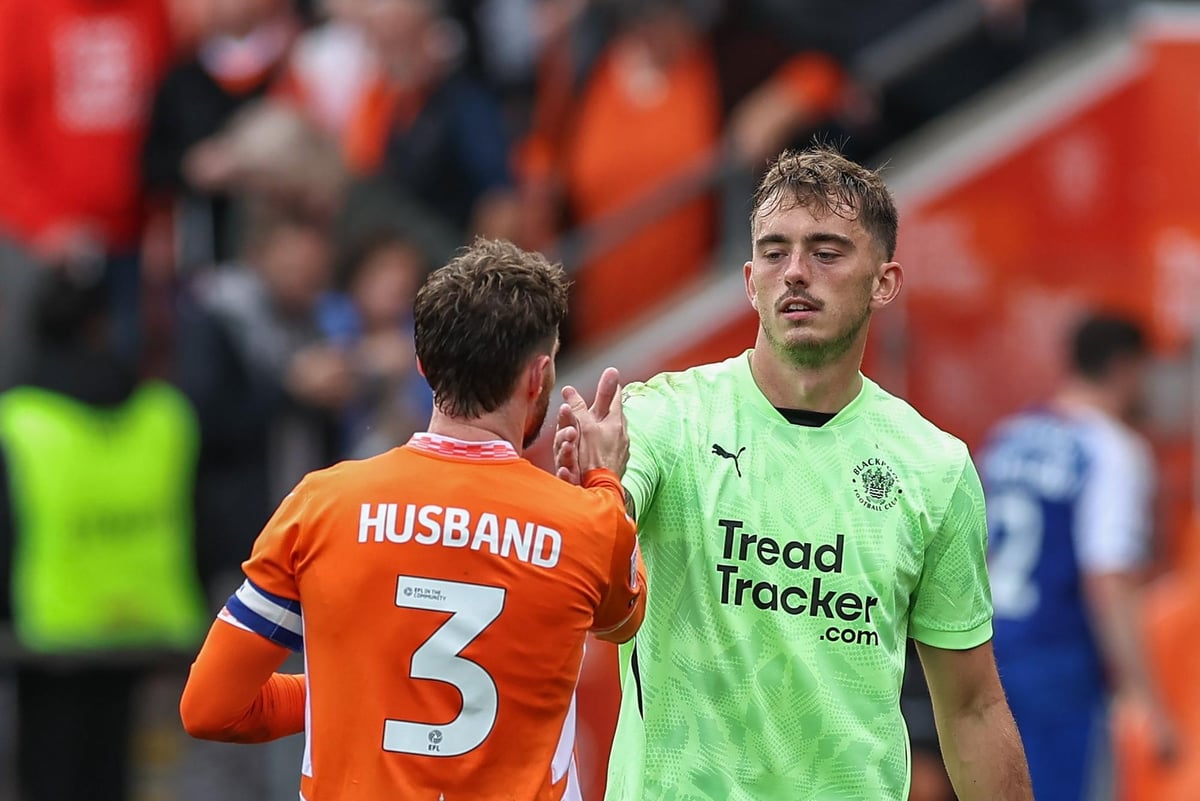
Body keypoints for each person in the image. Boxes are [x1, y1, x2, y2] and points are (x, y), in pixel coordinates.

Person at [555, 145, 1032, 800]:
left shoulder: (934, 468)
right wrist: (591, 491)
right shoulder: (664, 416)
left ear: (884, 281)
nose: (796, 273)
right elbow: (593, 566)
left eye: (827, 252)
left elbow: (972, 706)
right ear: (750, 280)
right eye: (775, 252)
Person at [180, 237, 647, 800]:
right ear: (538, 375)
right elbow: (621, 621)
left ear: (422, 365)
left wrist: (364, 688)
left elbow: (210, 708)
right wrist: (602, 486)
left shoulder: (319, 504)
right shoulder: (586, 522)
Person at [0, 268, 208, 801]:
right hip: (142, 622)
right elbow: (197, 513)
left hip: (47, 630)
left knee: (48, 773)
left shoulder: (18, 417)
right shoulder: (162, 411)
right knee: (113, 773)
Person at [979, 312, 1176, 801]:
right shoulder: (1111, 449)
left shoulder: (1007, 437)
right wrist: (1146, 701)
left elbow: (974, 553)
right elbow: (1108, 579)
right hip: (1061, 666)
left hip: (988, 656)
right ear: (1125, 368)